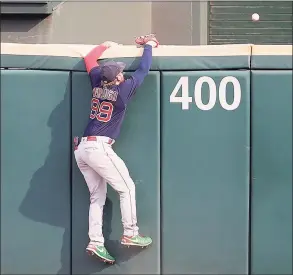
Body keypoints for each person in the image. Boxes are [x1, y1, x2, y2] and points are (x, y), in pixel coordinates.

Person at [74, 34, 159, 264]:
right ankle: (130, 233)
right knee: (127, 188)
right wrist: (149, 46)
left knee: (96, 198)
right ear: (117, 78)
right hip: (99, 147)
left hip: (82, 148)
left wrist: (103, 45)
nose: (123, 73)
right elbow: (143, 70)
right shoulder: (123, 92)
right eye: (120, 72)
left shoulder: (96, 80)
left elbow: (90, 59)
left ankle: (96, 242)